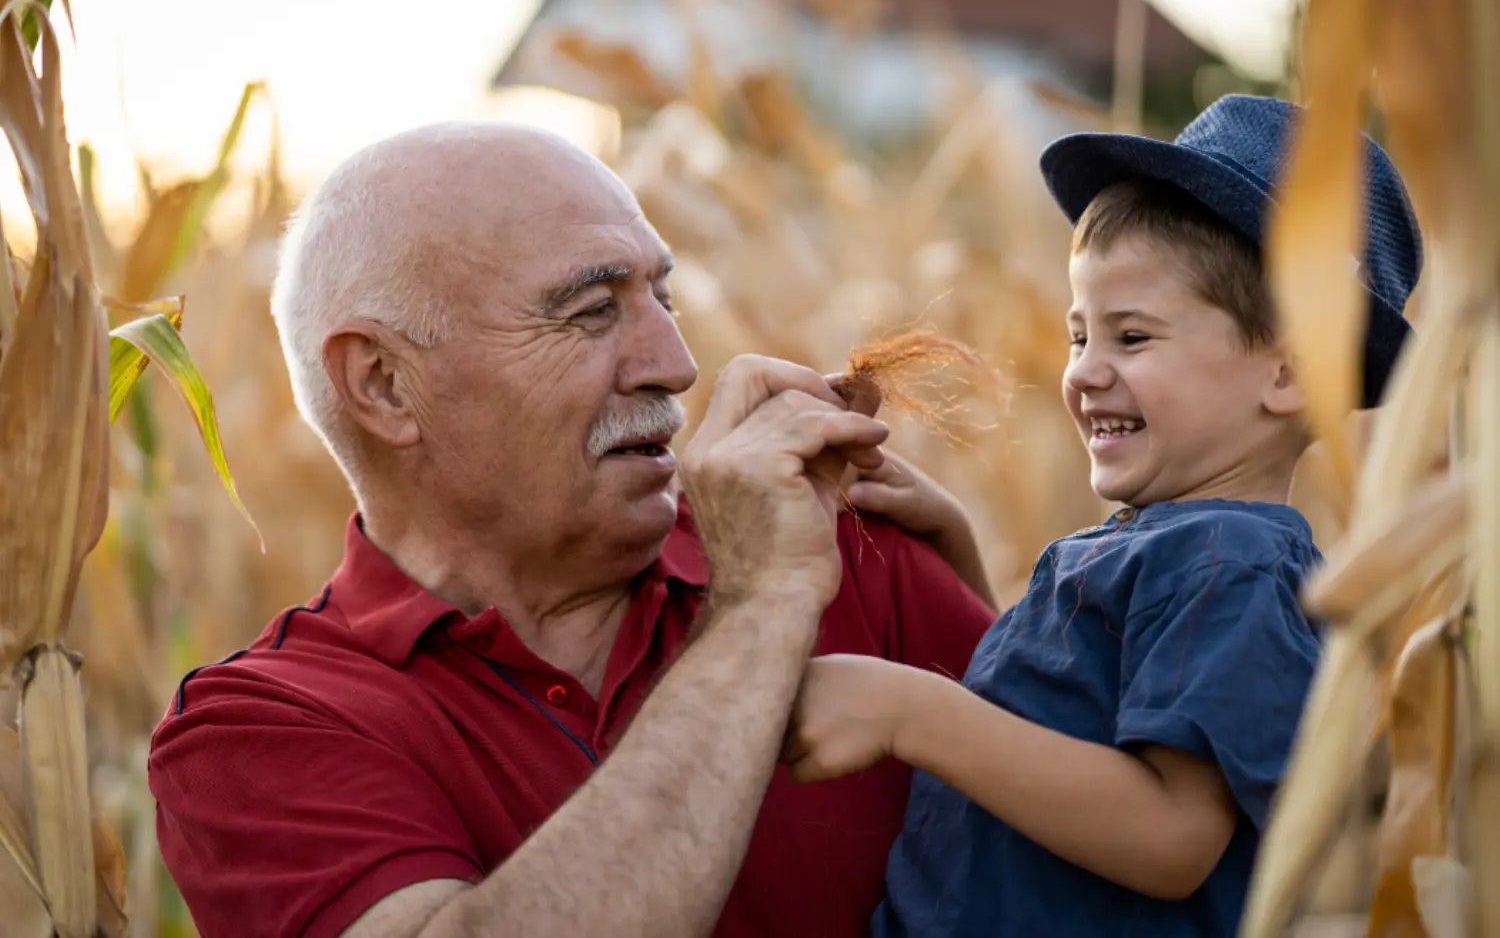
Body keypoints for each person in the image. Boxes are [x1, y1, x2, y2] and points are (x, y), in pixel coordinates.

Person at [146, 121, 999, 938]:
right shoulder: (260, 730)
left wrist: (982, 597)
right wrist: (759, 607)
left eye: (661, 297)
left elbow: (1106, 845)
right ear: (383, 384)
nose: (674, 363)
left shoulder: (848, 549)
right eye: (592, 311)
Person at [781, 94, 1424, 937]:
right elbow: (1062, 712)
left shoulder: (1229, 566)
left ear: (1291, 374)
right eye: (1082, 336)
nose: (1083, 372)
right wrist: (958, 545)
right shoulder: (1176, 545)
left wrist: (911, 713)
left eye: (1133, 337)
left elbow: (1172, 835)